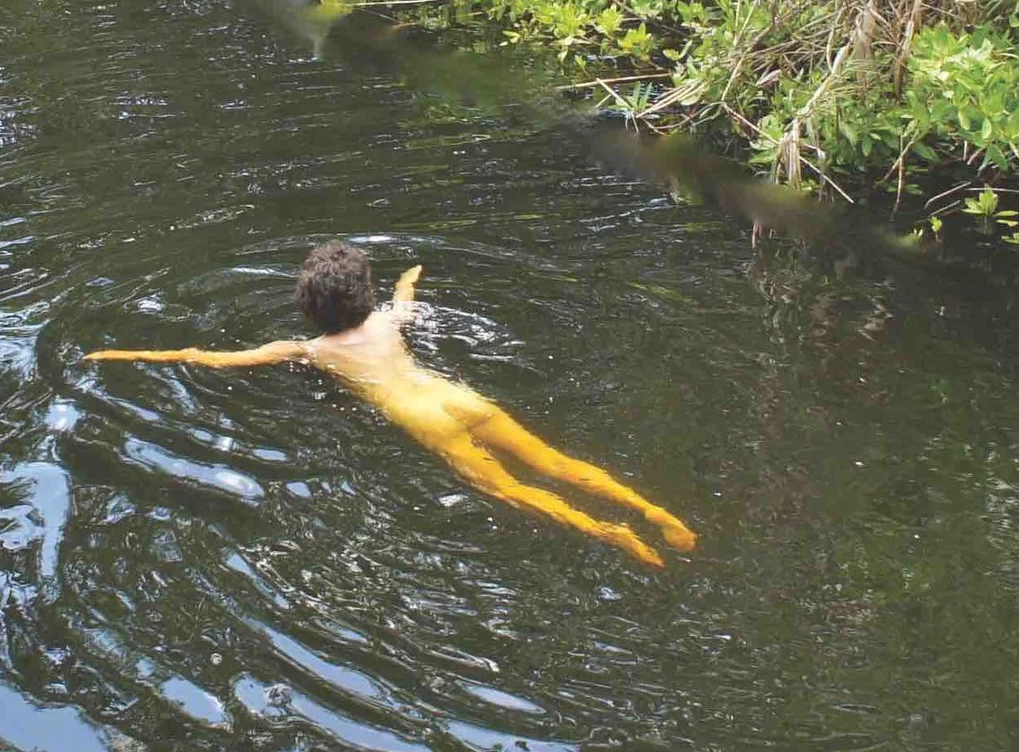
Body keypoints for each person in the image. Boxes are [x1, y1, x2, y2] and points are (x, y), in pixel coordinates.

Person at [89, 242, 696, 567]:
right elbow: (406, 299)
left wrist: (124, 356)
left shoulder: (308, 349)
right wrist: (410, 276)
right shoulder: (385, 320)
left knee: (510, 489)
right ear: (366, 294)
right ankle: (651, 510)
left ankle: (612, 534)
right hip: (456, 395)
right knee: (557, 462)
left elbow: (207, 358)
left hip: (421, 419)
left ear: (309, 305)